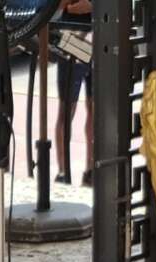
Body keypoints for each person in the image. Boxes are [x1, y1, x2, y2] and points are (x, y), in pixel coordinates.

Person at [54, 0, 94, 186]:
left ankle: (91, 170)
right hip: (72, 37)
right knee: (67, 109)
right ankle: (63, 171)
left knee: (95, 109)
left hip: (100, 35)